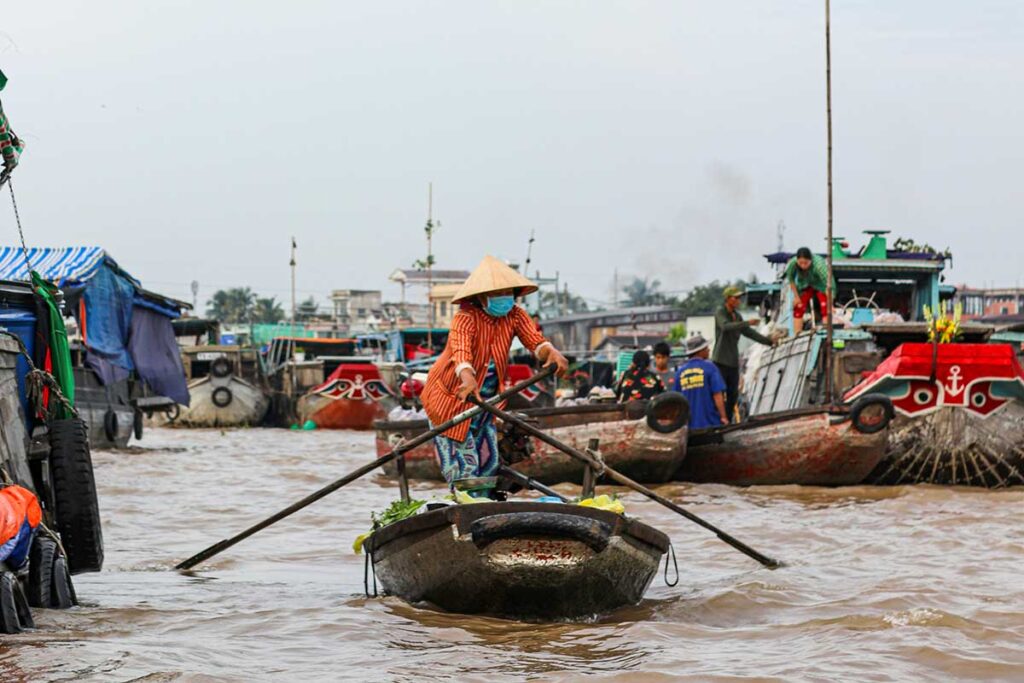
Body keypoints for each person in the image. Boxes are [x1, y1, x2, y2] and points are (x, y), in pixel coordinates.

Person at [421, 255, 569, 498]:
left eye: (508, 292)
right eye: (498, 292)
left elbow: (536, 342)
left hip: (486, 402)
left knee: (488, 461)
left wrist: (551, 352)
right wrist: (467, 378)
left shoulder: (516, 315)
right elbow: (461, 353)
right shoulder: (465, 318)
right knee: (465, 466)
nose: (504, 297)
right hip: (450, 399)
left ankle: (485, 505)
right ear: (481, 296)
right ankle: (467, 508)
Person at [713, 286, 773, 423]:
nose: (739, 300)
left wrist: (769, 342)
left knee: (733, 394)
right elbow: (725, 326)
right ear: (728, 299)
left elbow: (749, 333)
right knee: (719, 393)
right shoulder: (720, 312)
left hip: (733, 361)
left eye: (739, 298)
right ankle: (719, 420)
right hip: (720, 360)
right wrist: (747, 323)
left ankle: (728, 420)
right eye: (736, 298)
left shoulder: (737, 316)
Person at [672, 334, 728, 429]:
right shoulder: (710, 368)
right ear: (700, 351)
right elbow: (717, 395)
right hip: (710, 424)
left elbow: (676, 401)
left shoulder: (680, 373)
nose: (708, 350)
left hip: (688, 427)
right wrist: (723, 417)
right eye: (706, 348)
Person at [783, 246, 835, 333]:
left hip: (821, 285)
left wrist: (830, 302)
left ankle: (827, 330)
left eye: (806, 263)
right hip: (804, 284)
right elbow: (791, 280)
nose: (803, 266)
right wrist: (796, 297)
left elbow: (829, 284)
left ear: (810, 260)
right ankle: (797, 334)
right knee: (798, 306)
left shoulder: (819, 266)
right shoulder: (792, 264)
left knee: (825, 306)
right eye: (800, 263)